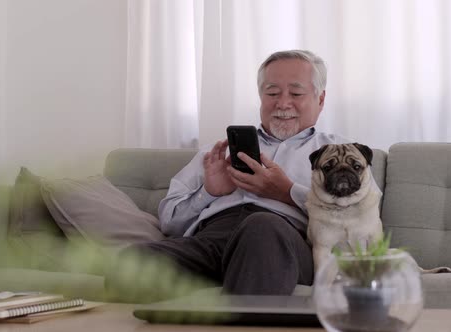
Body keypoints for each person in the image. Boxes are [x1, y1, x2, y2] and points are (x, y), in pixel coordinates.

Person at [106, 50, 350, 301]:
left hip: (283, 243)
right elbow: (169, 222)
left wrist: (287, 193)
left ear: (320, 99)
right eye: (272, 93)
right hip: (211, 241)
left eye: (296, 93)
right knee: (131, 262)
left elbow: (359, 220)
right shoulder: (218, 153)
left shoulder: (341, 156)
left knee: (262, 227)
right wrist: (208, 193)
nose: (283, 103)